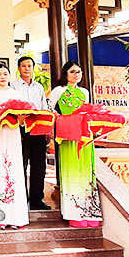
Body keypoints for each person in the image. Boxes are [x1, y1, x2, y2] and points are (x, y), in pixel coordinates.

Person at [49, 61, 101, 228]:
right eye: (72, 72)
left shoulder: (84, 92)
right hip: (67, 136)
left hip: (85, 135)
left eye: (79, 72)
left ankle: (89, 211)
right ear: (65, 74)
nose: (76, 75)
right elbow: (49, 109)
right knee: (71, 171)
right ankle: (73, 212)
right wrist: (61, 120)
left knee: (86, 171)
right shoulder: (59, 90)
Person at [0, 64, 29, 228]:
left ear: (9, 75)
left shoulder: (17, 94)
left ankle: (15, 217)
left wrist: (18, 115)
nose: (2, 77)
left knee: (13, 169)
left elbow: (23, 119)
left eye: (5, 73)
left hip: (12, 135)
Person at [10, 56, 51, 210]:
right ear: (19, 68)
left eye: (29, 65)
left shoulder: (39, 87)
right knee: (21, 165)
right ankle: (21, 199)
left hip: (38, 129)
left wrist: (47, 130)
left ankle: (36, 200)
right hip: (21, 129)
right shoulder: (13, 86)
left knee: (39, 166)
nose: (27, 68)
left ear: (33, 68)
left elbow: (44, 108)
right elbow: (11, 109)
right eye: (23, 66)